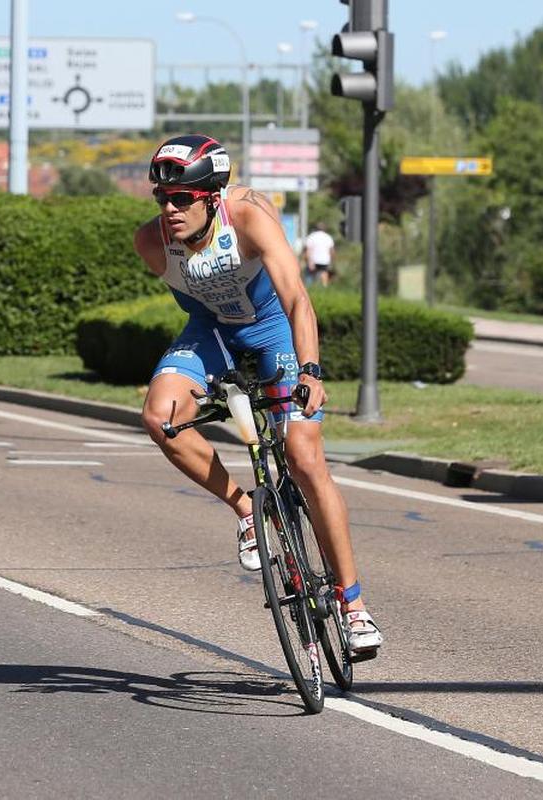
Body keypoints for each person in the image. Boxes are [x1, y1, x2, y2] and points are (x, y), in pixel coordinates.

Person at [133, 134, 383, 654]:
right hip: (212, 330)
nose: (170, 210)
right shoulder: (151, 241)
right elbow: (200, 305)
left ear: (212, 197)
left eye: (183, 199)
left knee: (304, 457)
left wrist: (309, 370)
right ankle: (249, 510)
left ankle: (353, 605)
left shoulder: (247, 217)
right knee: (160, 417)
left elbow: (296, 297)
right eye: (163, 199)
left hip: (273, 328)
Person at [303, 222, 336, 286]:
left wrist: (308, 260)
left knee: (310, 275)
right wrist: (332, 260)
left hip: (313, 260)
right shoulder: (328, 237)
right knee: (324, 273)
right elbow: (332, 251)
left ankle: (310, 289)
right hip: (325, 260)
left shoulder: (311, 236)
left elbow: (308, 250)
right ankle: (325, 287)